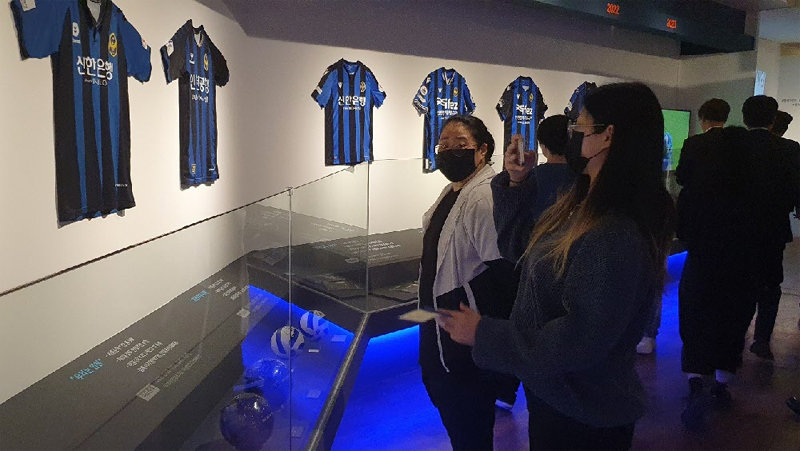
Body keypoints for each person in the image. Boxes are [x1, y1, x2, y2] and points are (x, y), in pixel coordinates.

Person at [438, 82, 675, 450]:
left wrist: (485, 334)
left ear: (607, 136)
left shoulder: (614, 231)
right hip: (559, 399)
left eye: (579, 127)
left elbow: (579, 339)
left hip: (584, 415)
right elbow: (523, 249)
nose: (572, 135)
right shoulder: (581, 203)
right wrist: (516, 182)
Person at [417, 114, 518, 450]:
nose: (450, 152)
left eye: (460, 145)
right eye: (443, 145)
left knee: (468, 420)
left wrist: (488, 330)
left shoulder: (482, 197)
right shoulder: (452, 191)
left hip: (462, 330)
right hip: (441, 322)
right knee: (454, 412)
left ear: (482, 150)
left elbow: (502, 270)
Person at [674, 124, 768, 430]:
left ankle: (696, 379)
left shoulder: (697, 190)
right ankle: (721, 381)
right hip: (743, 268)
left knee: (695, 318)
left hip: (701, 263)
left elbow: (682, 229)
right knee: (733, 321)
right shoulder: (757, 192)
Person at [492, 114, 576, 409]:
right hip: (569, 282)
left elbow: (511, 239)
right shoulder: (585, 179)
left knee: (524, 330)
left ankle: (506, 390)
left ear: (541, 145)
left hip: (532, 271)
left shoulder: (533, 179)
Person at [744, 96, 800, 360]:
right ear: (773, 119)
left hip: (737, 227)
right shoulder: (790, 150)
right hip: (773, 227)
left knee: (738, 281)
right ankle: (762, 339)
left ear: (745, 117)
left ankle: (737, 332)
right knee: (770, 283)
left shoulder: (732, 145)